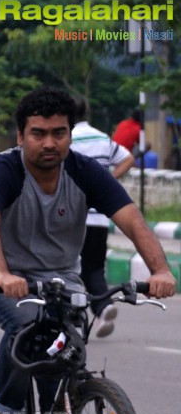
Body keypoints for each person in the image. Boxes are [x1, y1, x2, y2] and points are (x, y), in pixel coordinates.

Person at [0, 87, 174, 414]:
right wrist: (3, 273)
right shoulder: (4, 170)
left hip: (61, 281)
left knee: (62, 372)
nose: (49, 143)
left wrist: (161, 270)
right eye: (38, 133)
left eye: (59, 133)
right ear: (20, 135)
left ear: (70, 135)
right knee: (30, 328)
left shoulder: (82, 171)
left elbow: (131, 220)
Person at [71, 99, 134, 338]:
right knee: (94, 268)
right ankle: (104, 306)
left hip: (71, 216)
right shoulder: (102, 138)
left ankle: (75, 314)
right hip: (98, 218)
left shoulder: (65, 139)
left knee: (68, 269)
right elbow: (128, 158)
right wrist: (108, 181)